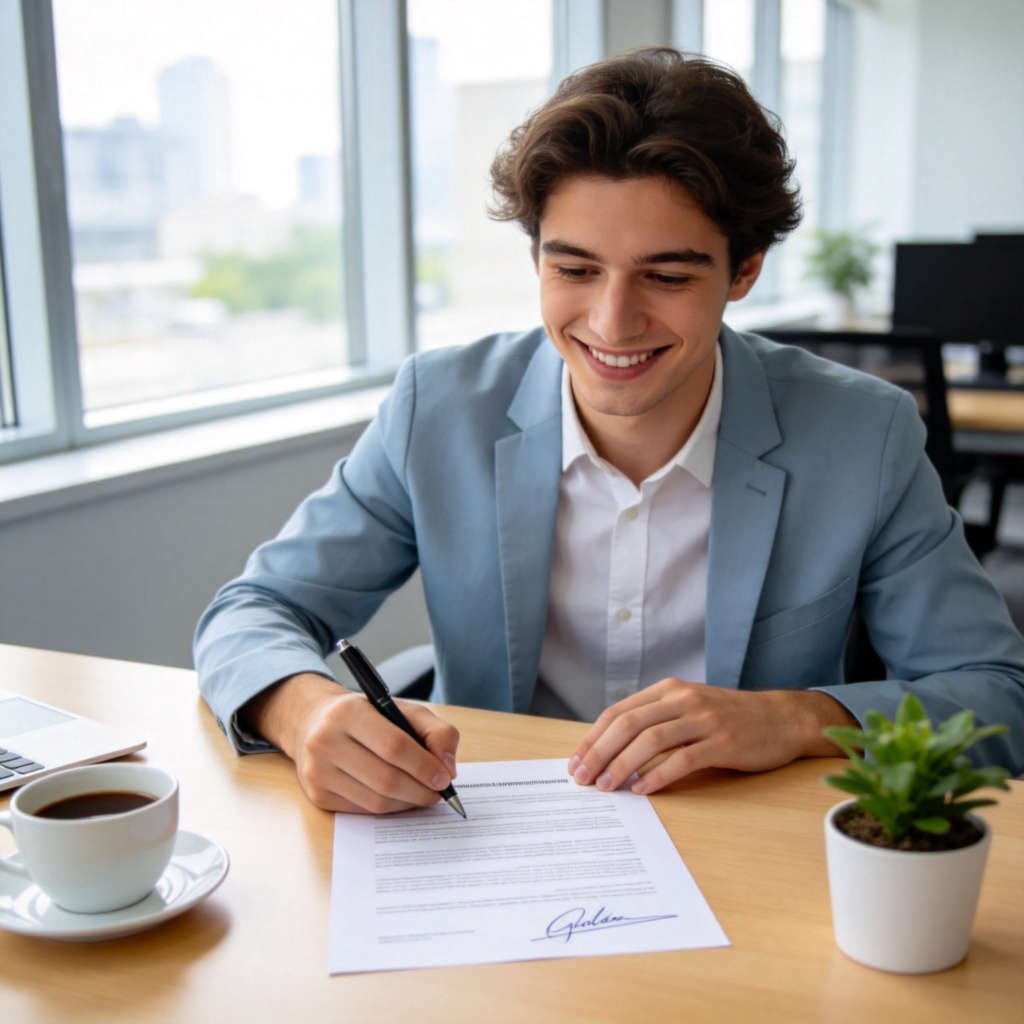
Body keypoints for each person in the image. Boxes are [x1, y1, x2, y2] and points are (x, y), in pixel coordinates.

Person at [194, 48, 1024, 814]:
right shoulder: (438, 408)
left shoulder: (861, 434)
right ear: (536, 261)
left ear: (744, 270)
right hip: (487, 833)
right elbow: (254, 609)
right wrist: (304, 711)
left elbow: (997, 694)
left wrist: (795, 718)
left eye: (666, 274)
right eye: (575, 269)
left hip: (741, 836)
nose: (612, 322)